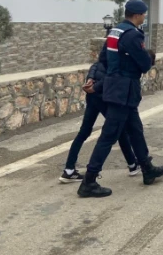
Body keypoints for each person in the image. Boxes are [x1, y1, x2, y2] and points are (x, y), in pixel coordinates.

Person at [77, 0, 163, 198]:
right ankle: (89, 181)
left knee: (135, 130)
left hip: (116, 89)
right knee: (109, 135)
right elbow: (145, 64)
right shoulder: (132, 35)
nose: (145, 17)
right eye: (144, 14)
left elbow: (105, 61)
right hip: (124, 92)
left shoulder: (114, 32)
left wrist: (98, 84)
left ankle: (147, 168)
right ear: (136, 15)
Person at [59, 49, 140, 183]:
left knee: (83, 132)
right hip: (103, 98)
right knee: (118, 131)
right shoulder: (118, 60)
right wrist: (96, 85)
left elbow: (95, 66)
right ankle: (132, 164)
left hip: (92, 98)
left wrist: (90, 79)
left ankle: (68, 170)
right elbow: (111, 78)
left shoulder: (105, 56)